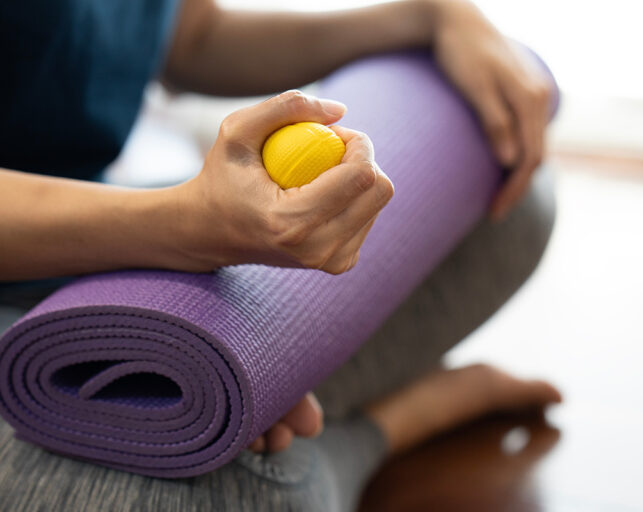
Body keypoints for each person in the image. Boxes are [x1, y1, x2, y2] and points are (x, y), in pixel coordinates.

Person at [0, 0, 562, 510]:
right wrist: (184, 226)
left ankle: (271, 400)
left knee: (507, 189)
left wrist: (427, 16)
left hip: (94, 228)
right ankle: (397, 417)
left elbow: (194, 37)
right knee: (180, 493)